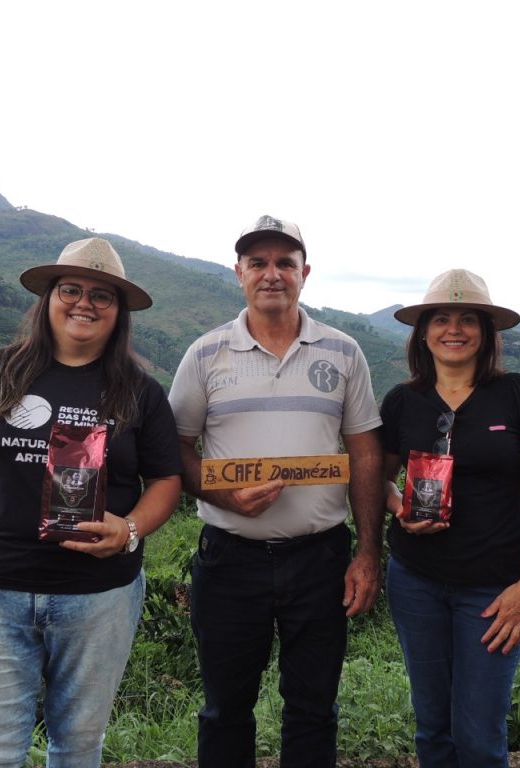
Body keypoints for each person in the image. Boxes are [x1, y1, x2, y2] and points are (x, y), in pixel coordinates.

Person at [0, 237, 182, 768]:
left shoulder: (140, 392)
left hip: (98, 599)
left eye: (102, 295)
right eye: (71, 289)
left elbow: (166, 483)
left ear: (119, 311)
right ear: (49, 298)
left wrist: (129, 530)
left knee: (79, 748)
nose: (84, 303)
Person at [168, 215, 384, 768]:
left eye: (284, 263)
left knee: (313, 707)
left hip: (321, 559)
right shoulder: (205, 355)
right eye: (258, 263)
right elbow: (175, 448)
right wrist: (223, 496)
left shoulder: (343, 353)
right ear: (238, 272)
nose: (271, 274)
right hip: (229, 560)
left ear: (304, 274)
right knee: (225, 708)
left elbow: (364, 452)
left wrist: (366, 553)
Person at [381, 268, 520, 767]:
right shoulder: (403, 401)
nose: (454, 329)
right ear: (423, 332)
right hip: (415, 582)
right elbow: (376, 478)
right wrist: (401, 509)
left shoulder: (517, 395)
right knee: (432, 727)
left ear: (486, 333)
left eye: (469, 319)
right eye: (441, 318)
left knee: (481, 734)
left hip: (493, 591)